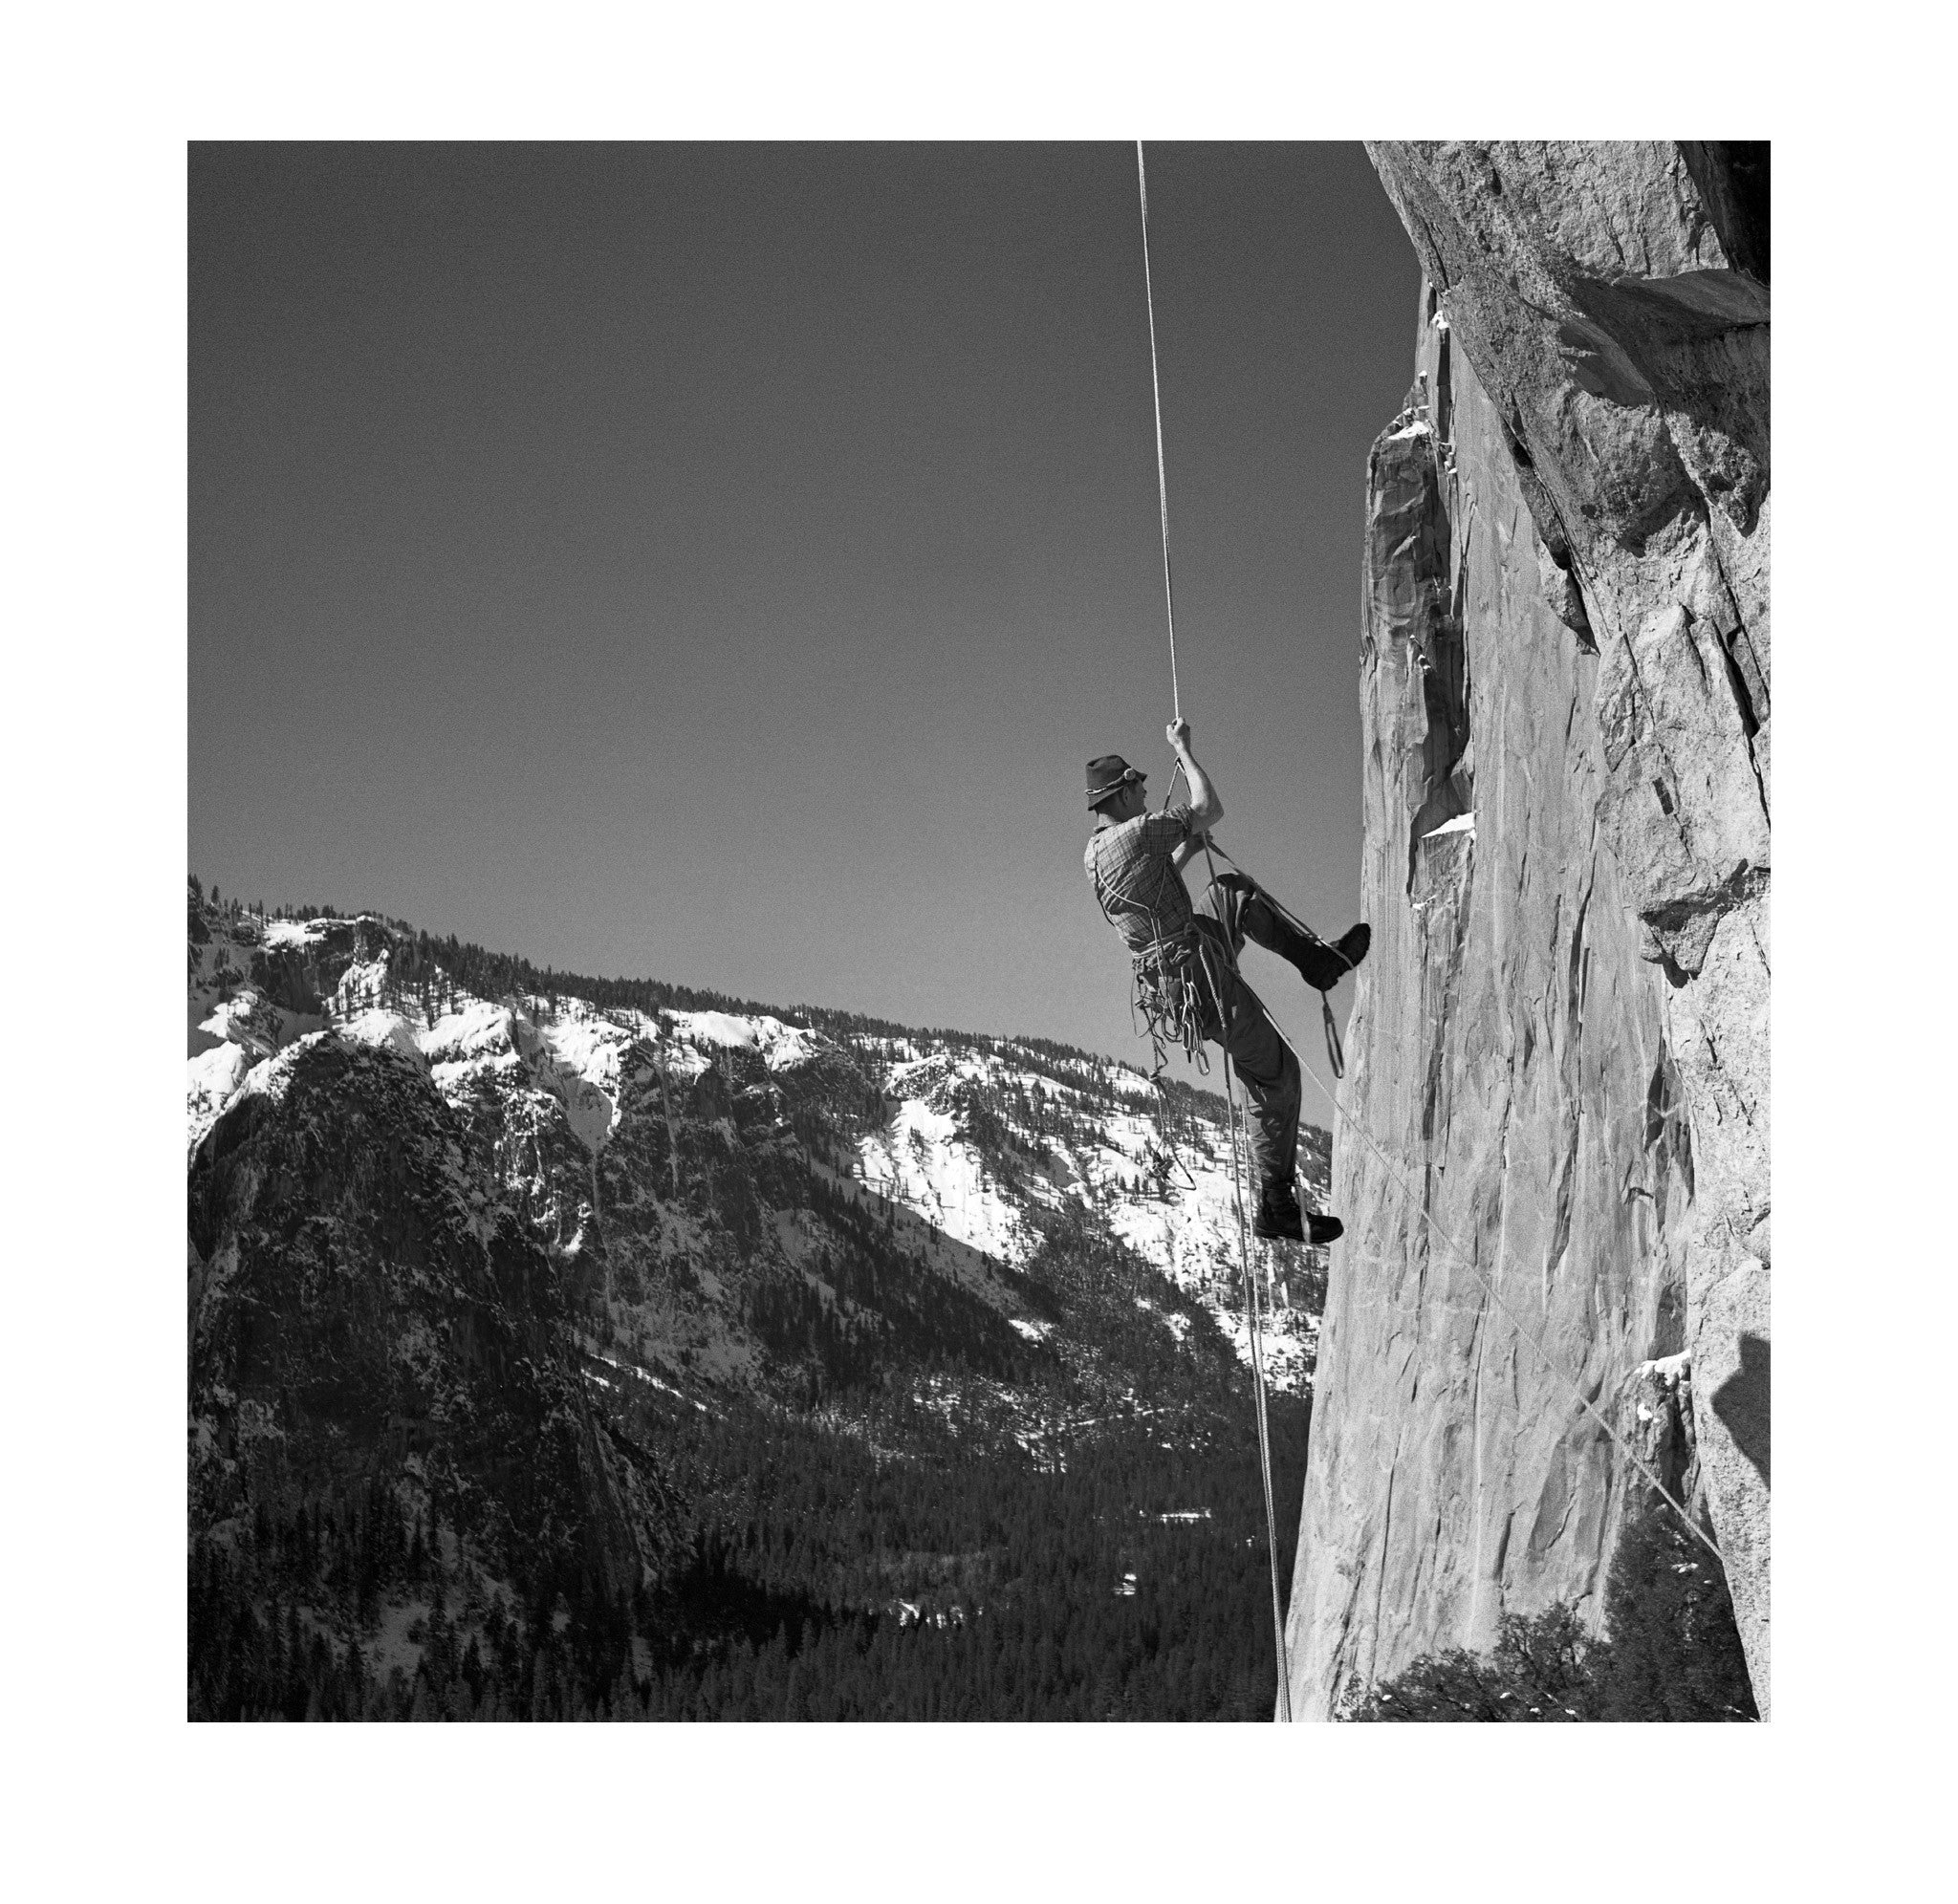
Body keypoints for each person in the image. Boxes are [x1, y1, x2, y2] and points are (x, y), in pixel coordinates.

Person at [1083, 719, 1369, 1244]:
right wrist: (1182, 750)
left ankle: (1316, 963)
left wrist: (1190, 852)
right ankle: (1276, 1203)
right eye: (1139, 787)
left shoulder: (1098, 852)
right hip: (1195, 973)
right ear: (1122, 793)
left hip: (1179, 966)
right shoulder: (1135, 832)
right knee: (1274, 1071)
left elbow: (1153, 885)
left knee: (1230, 891)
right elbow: (1207, 808)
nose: (1145, 795)